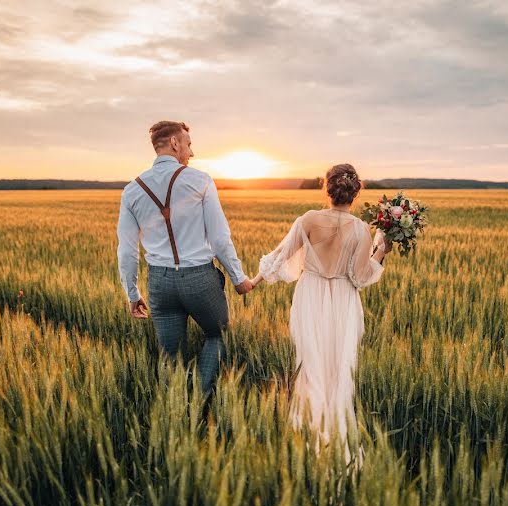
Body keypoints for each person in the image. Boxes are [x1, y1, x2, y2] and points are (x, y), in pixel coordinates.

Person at [249, 164, 391, 465]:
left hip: (311, 296)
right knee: (339, 370)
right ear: (355, 193)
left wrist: (252, 282)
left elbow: (280, 255)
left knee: (310, 365)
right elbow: (360, 277)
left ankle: (307, 443)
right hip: (343, 300)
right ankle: (338, 446)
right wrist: (381, 251)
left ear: (327, 188)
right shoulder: (361, 229)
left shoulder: (309, 219)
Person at [117, 120, 253, 397]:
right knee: (217, 336)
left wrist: (132, 293)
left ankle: (174, 411)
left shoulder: (132, 190)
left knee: (170, 356)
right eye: (189, 145)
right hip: (199, 279)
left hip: (159, 283)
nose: (192, 153)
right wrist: (238, 279)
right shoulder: (200, 181)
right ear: (175, 143)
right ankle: (200, 403)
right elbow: (219, 238)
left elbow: (127, 250)